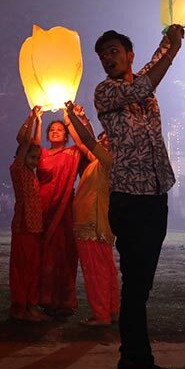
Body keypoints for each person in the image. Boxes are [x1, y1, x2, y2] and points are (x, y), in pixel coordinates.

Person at [93, 25, 185, 369]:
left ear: (129, 55)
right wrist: (174, 50)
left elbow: (148, 74)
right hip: (129, 199)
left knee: (141, 286)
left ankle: (133, 359)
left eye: (114, 51)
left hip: (155, 193)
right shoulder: (106, 92)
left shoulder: (140, 82)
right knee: (135, 286)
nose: (108, 58)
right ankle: (136, 363)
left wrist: (170, 37)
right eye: (103, 55)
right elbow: (144, 84)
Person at [65, 102, 119, 326]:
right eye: (102, 137)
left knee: (96, 271)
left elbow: (87, 141)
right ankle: (111, 310)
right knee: (106, 270)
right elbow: (82, 141)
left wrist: (72, 116)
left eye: (107, 138)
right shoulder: (98, 162)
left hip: (93, 226)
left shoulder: (109, 161)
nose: (102, 140)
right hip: (96, 224)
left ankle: (101, 315)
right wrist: (73, 119)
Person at [37, 118, 81, 315]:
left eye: (60, 130)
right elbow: (30, 144)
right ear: (47, 134)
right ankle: (44, 297)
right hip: (43, 208)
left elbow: (83, 142)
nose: (55, 132)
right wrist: (36, 120)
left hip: (63, 211)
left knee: (63, 252)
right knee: (44, 253)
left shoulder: (72, 152)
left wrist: (70, 118)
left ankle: (64, 298)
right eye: (52, 129)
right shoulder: (41, 154)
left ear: (66, 135)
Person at [9, 107, 47, 322]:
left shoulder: (31, 173)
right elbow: (25, 144)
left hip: (35, 226)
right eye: (32, 157)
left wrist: (40, 123)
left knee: (32, 267)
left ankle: (30, 305)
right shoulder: (18, 169)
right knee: (21, 268)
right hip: (23, 225)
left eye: (36, 158)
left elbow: (35, 146)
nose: (35, 160)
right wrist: (31, 118)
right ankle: (20, 305)